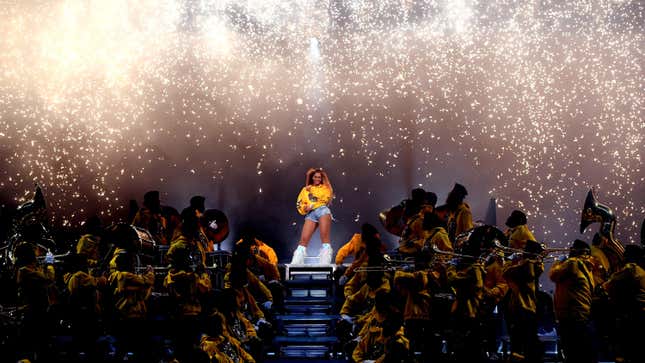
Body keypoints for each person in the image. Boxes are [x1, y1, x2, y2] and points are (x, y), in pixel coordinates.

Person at [549, 240, 597, 363]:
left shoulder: (572, 263)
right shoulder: (587, 264)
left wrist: (558, 261)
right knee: (581, 352)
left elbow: (553, 275)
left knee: (572, 352)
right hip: (581, 313)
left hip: (570, 315)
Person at [291, 168, 334, 265]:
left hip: (323, 211)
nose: (318, 179)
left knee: (324, 238)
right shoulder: (305, 189)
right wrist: (306, 208)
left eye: (319, 177)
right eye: (315, 177)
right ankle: (296, 263)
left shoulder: (325, 188)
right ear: (312, 178)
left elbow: (325, 199)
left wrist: (311, 204)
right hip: (311, 214)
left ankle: (325, 263)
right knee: (304, 240)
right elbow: (300, 203)